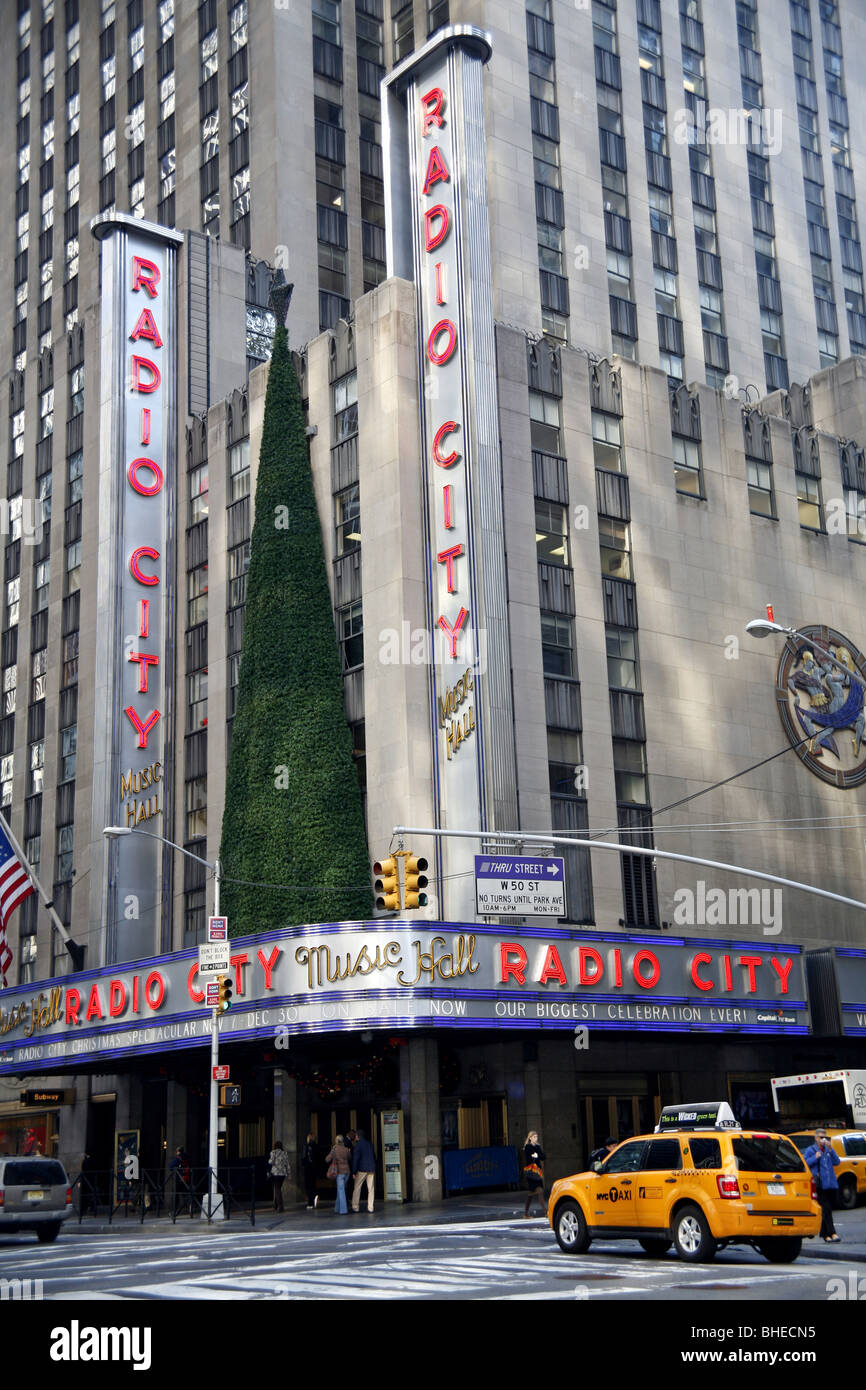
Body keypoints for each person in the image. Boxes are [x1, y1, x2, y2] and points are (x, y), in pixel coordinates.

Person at [805, 1128, 841, 1242]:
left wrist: (830, 1149)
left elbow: (837, 1162)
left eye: (825, 1137)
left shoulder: (828, 1150)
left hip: (830, 1183)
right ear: (816, 1138)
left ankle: (825, 1235)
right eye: (821, 1137)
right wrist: (815, 1157)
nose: (823, 1140)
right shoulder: (811, 1150)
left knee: (828, 1209)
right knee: (826, 1208)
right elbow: (805, 1163)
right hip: (819, 1184)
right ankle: (832, 1233)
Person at [325, 1134, 352, 1214]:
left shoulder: (335, 1149)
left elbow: (327, 1159)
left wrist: (332, 1152)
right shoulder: (346, 1149)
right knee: (341, 1190)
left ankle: (343, 1210)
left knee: (341, 1190)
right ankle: (337, 1208)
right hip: (347, 1172)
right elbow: (350, 1158)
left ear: (336, 1141)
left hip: (339, 1173)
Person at [351, 1129, 377, 1213]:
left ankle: (355, 1207)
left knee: (357, 1188)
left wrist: (354, 1172)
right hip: (371, 1169)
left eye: (355, 1136)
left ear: (357, 1136)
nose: (355, 1137)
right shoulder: (370, 1144)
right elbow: (374, 1156)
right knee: (371, 1189)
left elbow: (356, 1159)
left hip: (361, 1169)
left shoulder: (358, 1145)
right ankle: (370, 1207)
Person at [523, 1130, 547, 1218]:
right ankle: (527, 1213)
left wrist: (538, 1156)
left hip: (537, 1172)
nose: (535, 1138)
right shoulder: (527, 1147)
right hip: (531, 1172)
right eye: (534, 1137)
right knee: (531, 1193)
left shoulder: (538, 1147)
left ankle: (545, 1212)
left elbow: (543, 1157)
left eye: (536, 1137)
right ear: (530, 1138)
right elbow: (528, 1158)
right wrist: (533, 1156)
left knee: (539, 1191)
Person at [268, 1140, 292, 1213]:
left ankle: (280, 1206)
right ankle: (276, 1205)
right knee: (278, 1189)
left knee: (277, 1189)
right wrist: (289, 1174)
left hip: (275, 1173)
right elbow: (287, 1164)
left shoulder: (273, 1152)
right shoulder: (284, 1153)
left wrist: (270, 1160)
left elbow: (271, 1162)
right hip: (282, 1174)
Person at [170, 1146, 194, 1215]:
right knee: (186, 1195)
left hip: (179, 1179)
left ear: (178, 1151)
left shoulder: (177, 1158)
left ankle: (174, 1211)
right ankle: (190, 1208)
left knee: (175, 1195)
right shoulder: (187, 1157)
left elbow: (171, 1166)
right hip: (187, 1179)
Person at [302, 1133, 318, 1210]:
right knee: (313, 1184)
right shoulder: (316, 1146)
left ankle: (310, 1203)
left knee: (308, 1186)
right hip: (314, 1168)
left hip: (308, 1168)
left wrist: (303, 1164)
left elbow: (304, 1157)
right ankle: (314, 1196)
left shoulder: (306, 1146)